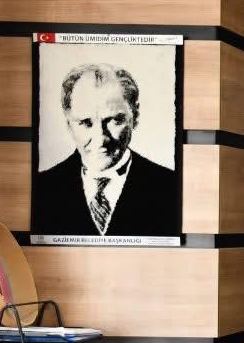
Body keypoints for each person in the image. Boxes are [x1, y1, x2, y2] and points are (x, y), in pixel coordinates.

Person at [32, 63, 178, 237]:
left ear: (135, 116)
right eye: (85, 123)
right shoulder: (42, 189)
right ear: (69, 125)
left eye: (114, 120)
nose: (100, 139)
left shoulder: (171, 187)